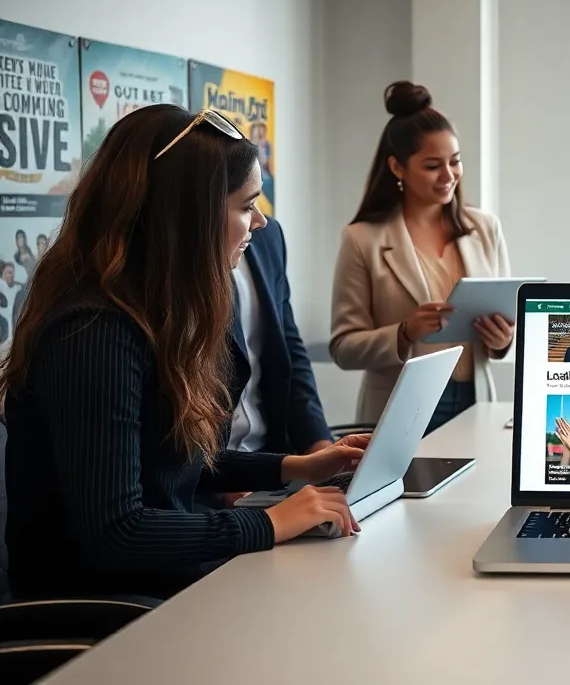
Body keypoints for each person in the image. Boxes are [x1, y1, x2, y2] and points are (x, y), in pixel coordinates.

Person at [1, 105, 367, 601]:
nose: (259, 223)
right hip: (102, 616)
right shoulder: (92, 331)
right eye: (246, 205)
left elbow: (173, 459)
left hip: (157, 590)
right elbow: (117, 531)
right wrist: (267, 522)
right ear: (187, 218)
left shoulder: (155, 312)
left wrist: (296, 467)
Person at [331, 81, 515, 430]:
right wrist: (405, 331)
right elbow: (344, 347)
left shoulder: (485, 228)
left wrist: (503, 339)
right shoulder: (362, 239)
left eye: (455, 162)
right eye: (433, 166)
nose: (449, 176)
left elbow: (508, 324)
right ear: (398, 168)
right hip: (400, 405)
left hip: (475, 398)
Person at [226, 218, 333, 456]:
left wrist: (319, 444)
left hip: (271, 457)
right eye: (246, 205)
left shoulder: (268, 235)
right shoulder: (166, 248)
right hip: (206, 476)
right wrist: (223, 488)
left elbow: (288, 348)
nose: (260, 220)